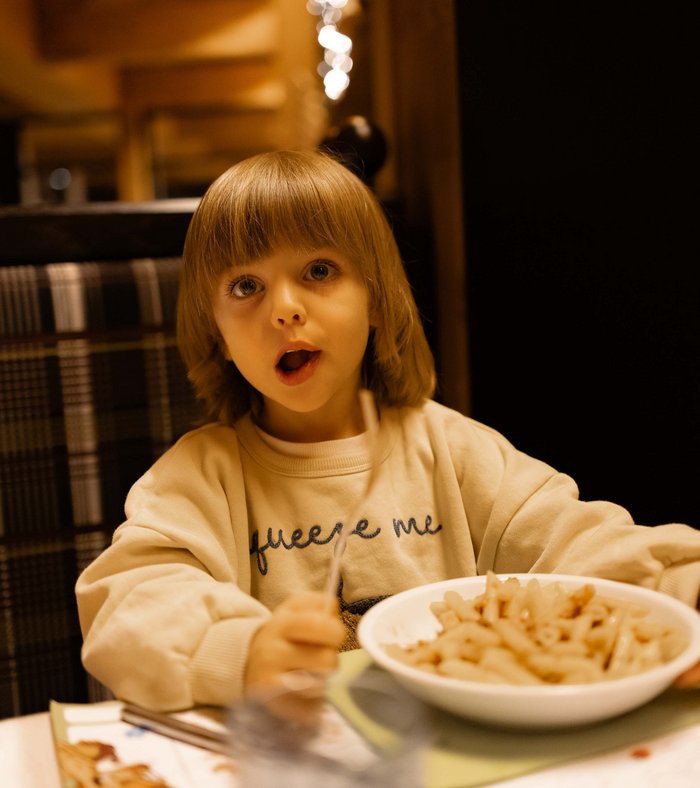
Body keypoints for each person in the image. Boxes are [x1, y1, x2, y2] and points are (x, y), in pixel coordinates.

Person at [75, 149, 700, 712]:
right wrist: (243, 651)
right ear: (216, 333)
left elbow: (584, 548)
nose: (284, 307)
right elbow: (129, 605)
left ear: (375, 298)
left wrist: (683, 594)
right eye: (246, 286)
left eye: (318, 271)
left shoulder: (452, 450)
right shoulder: (201, 477)